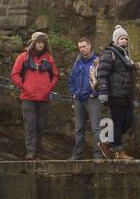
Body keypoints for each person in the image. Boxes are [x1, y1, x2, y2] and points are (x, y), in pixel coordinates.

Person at [11, 31, 58, 159]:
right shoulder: (23, 57)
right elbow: (14, 74)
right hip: (28, 98)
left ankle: (38, 152)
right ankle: (30, 152)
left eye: (43, 42)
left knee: (41, 126)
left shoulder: (49, 59)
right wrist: (24, 86)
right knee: (30, 125)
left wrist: (49, 87)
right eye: (38, 42)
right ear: (33, 43)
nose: (41, 45)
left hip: (44, 98)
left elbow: (55, 75)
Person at [96, 25, 138, 160]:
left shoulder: (126, 55)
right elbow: (103, 73)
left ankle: (107, 143)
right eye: (121, 38)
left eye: (126, 39)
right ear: (115, 40)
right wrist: (103, 91)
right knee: (118, 123)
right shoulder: (110, 53)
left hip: (126, 95)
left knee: (129, 122)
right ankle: (119, 152)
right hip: (115, 94)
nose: (124, 41)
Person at [68, 37, 101, 159]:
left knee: (96, 128)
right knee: (79, 128)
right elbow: (71, 80)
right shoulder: (77, 62)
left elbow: (103, 80)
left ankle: (98, 154)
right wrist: (73, 93)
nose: (82, 49)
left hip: (92, 99)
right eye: (80, 47)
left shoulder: (97, 61)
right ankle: (77, 154)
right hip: (79, 100)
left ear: (89, 46)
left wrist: (96, 93)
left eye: (84, 46)